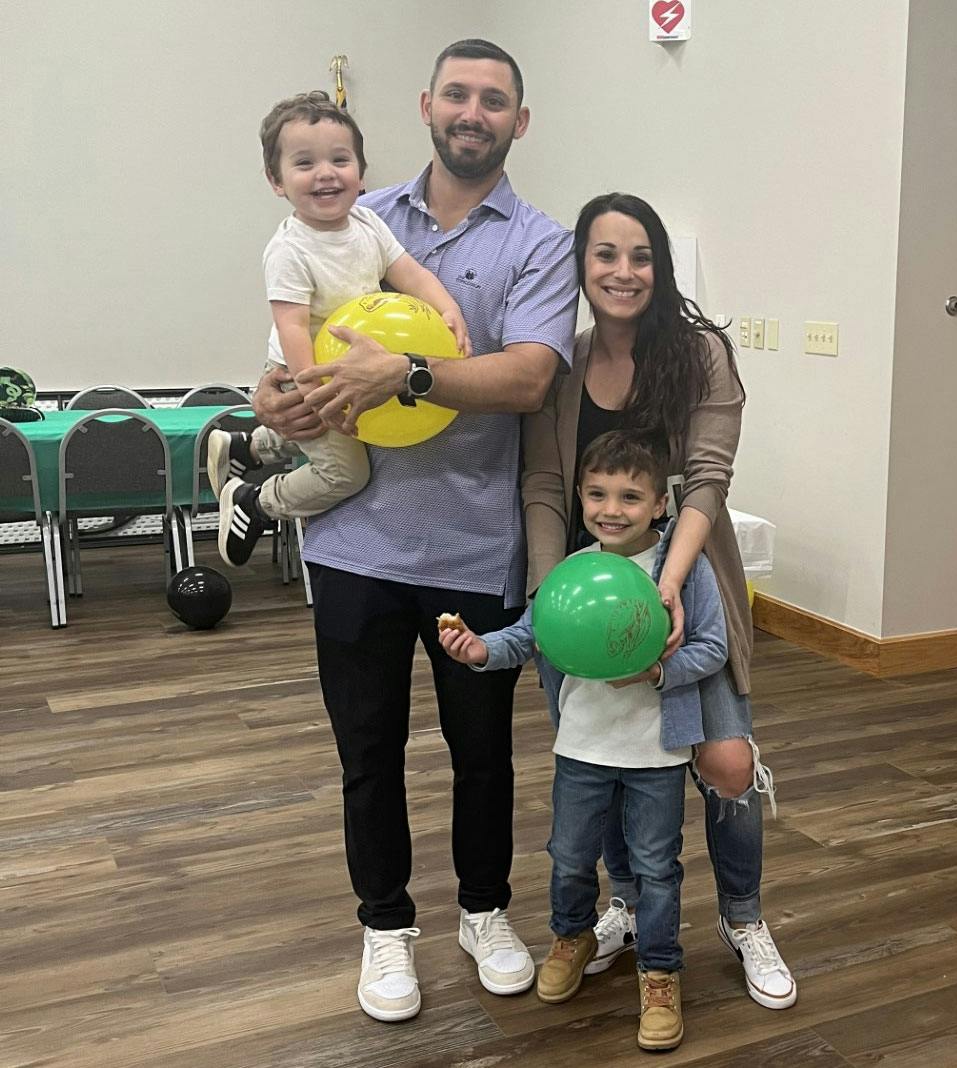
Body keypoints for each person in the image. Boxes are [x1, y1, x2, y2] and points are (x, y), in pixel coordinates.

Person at [249, 40, 578, 1023]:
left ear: (520, 121)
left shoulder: (541, 242)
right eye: (459, 95)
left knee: (482, 753)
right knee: (369, 749)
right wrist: (272, 399)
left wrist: (413, 377)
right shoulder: (346, 214)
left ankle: (484, 910)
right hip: (356, 542)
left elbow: (527, 377)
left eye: (497, 100)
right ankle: (386, 926)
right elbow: (279, 354)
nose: (474, 112)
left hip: (477, 546)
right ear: (428, 105)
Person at [522, 193, 798, 1010]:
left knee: (728, 765)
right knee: (603, 759)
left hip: (687, 586)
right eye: (604, 254)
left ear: (661, 266)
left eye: (640, 255)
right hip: (584, 605)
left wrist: (667, 584)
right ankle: (625, 907)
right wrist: (547, 601)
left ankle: (744, 919)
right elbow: (543, 486)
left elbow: (708, 480)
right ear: (581, 265)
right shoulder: (561, 364)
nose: (622, 271)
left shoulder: (702, 352)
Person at [442, 430, 726, 1052]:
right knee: (569, 857)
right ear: (579, 497)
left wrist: (657, 670)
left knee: (656, 868)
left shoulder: (682, 570)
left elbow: (712, 648)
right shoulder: (570, 571)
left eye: (630, 496)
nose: (611, 509)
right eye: (597, 493)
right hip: (582, 751)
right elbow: (527, 635)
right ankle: (573, 936)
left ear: (659, 504)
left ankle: (659, 970)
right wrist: (481, 650)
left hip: (656, 755)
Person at [208, 90, 470, 570]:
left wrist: (447, 308)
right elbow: (290, 325)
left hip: (350, 365)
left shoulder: (369, 223)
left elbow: (409, 271)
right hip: (303, 370)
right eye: (304, 163)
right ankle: (256, 500)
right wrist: (316, 391)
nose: (326, 172)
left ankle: (250, 445)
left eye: (339, 159)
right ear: (276, 180)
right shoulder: (289, 249)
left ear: (360, 171)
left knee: (329, 436)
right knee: (346, 473)